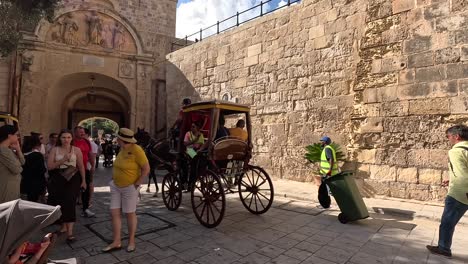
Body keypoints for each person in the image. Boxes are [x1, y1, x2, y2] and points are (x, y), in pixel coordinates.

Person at [102, 128, 149, 253]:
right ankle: (116, 241)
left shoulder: (137, 150)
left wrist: (137, 184)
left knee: (129, 213)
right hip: (116, 186)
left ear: (121, 139)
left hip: (129, 187)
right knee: (114, 213)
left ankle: (131, 241)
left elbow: (146, 168)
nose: (116, 139)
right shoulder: (122, 149)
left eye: (118, 138)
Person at [426, 125, 468, 258]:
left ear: (457, 136)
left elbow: (462, 175)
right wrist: (451, 179)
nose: (448, 139)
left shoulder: (455, 151)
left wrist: (457, 184)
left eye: (448, 136)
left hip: (459, 193)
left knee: (447, 222)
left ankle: (443, 248)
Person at [47, 129, 86, 242]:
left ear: (72, 138)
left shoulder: (76, 150)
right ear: (60, 138)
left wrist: (84, 180)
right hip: (58, 178)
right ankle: (64, 227)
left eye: (68, 137)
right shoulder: (55, 150)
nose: (66, 140)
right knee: (61, 202)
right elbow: (50, 166)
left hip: (73, 178)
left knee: (70, 201)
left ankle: (70, 232)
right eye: (64, 137)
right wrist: (63, 160)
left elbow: (81, 166)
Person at [73, 126, 95, 218]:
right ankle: (69, 210)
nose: (82, 133)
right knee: (73, 190)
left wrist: (93, 166)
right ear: (75, 133)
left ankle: (85, 209)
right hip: (73, 170)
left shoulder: (86, 142)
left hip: (85, 169)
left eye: (83, 132)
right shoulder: (72, 142)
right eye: (80, 132)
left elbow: (90, 154)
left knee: (85, 189)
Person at [0, 125, 25, 203]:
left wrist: (18, 150)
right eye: (16, 135)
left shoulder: (8, 150)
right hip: (6, 187)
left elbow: (23, 162)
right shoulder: (3, 150)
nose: (18, 137)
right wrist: (19, 165)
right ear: (10, 136)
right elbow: (18, 169)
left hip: (12, 187)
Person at [20, 135, 47, 202]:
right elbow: (42, 170)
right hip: (36, 184)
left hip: (24, 183)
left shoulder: (21, 155)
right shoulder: (37, 155)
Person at [183, 121, 205, 191]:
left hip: (197, 150)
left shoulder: (200, 135)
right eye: (191, 126)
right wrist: (194, 141)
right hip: (189, 150)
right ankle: (191, 182)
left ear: (197, 128)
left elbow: (202, 144)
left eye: (193, 127)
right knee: (195, 160)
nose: (191, 128)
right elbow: (185, 144)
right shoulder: (188, 134)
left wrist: (199, 149)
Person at [83, 128, 98, 210]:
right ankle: (80, 199)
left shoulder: (92, 144)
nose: (81, 136)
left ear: (87, 135)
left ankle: (89, 199)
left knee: (89, 183)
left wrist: (92, 167)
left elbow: (93, 158)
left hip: (88, 167)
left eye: (83, 134)